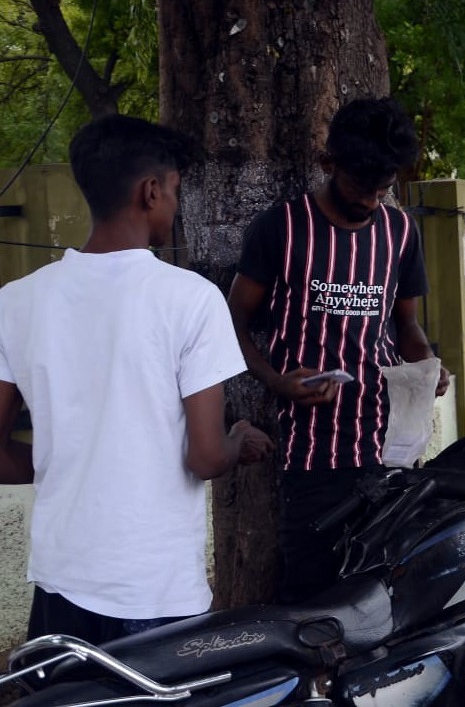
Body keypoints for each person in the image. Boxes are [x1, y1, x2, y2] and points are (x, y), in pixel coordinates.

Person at [0, 115, 272, 645]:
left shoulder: (16, 301)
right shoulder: (190, 299)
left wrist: (74, 463)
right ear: (150, 192)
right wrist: (239, 440)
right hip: (153, 587)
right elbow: (207, 457)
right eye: (174, 190)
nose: (174, 203)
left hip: (60, 583)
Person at [228, 97, 449, 604]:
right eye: (360, 185)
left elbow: (407, 325)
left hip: (391, 450)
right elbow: (232, 324)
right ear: (330, 164)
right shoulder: (280, 229)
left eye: (383, 188)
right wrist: (276, 380)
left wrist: (426, 366)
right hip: (314, 456)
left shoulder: (400, 232)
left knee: (384, 593)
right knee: (313, 596)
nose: (372, 199)